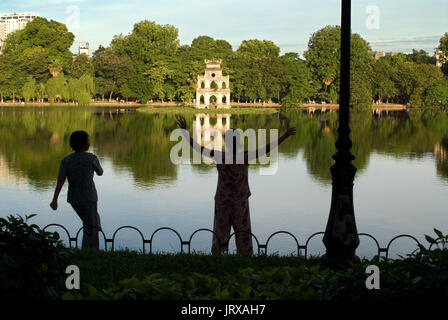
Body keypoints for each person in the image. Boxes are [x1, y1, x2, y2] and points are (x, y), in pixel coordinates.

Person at [176, 115, 296, 254]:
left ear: (226, 142)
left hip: (223, 200)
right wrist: (285, 135)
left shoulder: (220, 156)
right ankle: (245, 259)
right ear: (238, 142)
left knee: (220, 233)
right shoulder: (244, 156)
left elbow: (197, 147)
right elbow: (267, 149)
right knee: (243, 233)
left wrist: (185, 132)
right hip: (240, 201)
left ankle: (218, 258)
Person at [50, 130, 104, 249]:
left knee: (91, 222)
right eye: (88, 141)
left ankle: (89, 249)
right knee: (91, 226)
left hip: (74, 199)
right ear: (86, 145)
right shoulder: (91, 158)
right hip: (89, 197)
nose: (89, 143)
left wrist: (55, 200)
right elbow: (100, 172)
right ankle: (91, 251)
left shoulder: (66, 160)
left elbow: (60, 180)